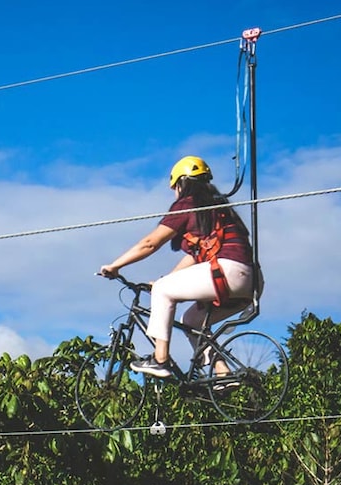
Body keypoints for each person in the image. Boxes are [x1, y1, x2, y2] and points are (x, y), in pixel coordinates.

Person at [99, 156, 257, 378]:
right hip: (250, 281)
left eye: (174, 188)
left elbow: (150, 243)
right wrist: (168, 278)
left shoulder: (187, 204)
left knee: (163, 290)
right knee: (191, 321)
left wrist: (115, 266)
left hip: (226, 271)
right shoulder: (216, 209)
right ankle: (224, 376)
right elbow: (197, 256)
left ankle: (160, 359)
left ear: (182, 183)